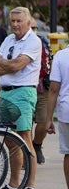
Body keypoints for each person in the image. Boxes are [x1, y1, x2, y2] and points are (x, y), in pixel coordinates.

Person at [0, 6, 41, 189]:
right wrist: (7, 65)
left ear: (28, 23)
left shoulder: (33, 42)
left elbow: (16, 65)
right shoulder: (9, 39)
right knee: (10, 140)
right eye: (13, 21)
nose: (16, 25)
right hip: (6, 93)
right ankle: (13, 184)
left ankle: (31, 187)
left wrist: (5, 65)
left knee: (25, 138)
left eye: (20, 21)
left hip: (23, 92)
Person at [44, 43, 69, 189]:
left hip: (67, 111)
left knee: (68, 153)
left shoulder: (61, 56)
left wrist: (48, 119)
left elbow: (53, 90)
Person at [32, 19, 52, 164]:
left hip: (42, 87)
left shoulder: (43, 42)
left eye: (35, 27)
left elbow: (48, 62)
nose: (33, 30)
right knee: (23, 125)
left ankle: (37, 145)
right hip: (23, 87)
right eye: (31, 27)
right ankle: (26, 153)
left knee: (43, 121)